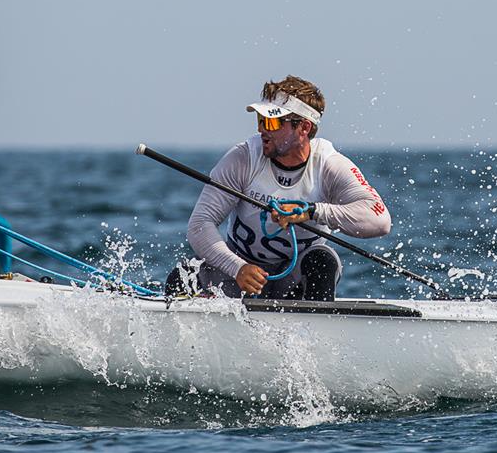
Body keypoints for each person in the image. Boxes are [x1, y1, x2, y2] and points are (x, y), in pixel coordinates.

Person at [167, 75, 391, 300]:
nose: (263, 129)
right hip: (240, 274)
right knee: (182, 275)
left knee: (323, 261)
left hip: (293, 280)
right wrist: (237, 267)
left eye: (272, 122)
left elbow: (380, 221)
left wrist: (311, 212)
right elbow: (199, 224)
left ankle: (320, 329)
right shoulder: (243, 158)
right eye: (260, 120)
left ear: (304, 127)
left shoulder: (329, 165)